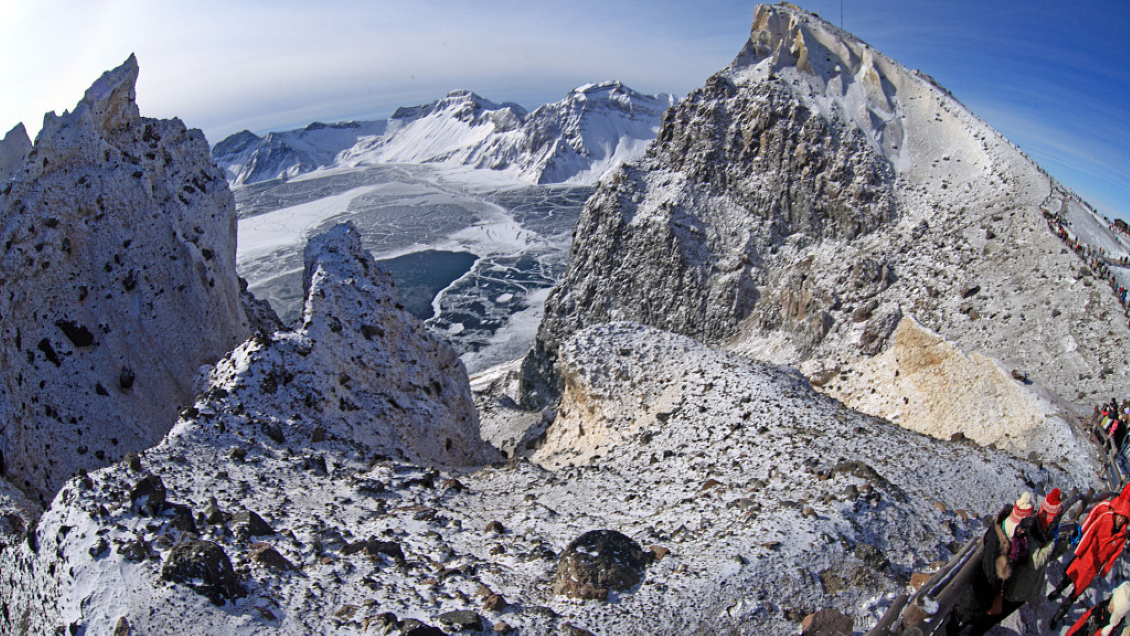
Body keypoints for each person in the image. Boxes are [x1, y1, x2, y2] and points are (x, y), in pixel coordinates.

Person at [947, 492, 1036, 636]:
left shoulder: (1016, 538)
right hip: (977, 596)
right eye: (1022, 528)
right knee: (961, 620)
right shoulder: (996, 542)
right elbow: (991, 576)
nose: (1023, 532)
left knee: (977, 621)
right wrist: (1009, 565)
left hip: (991, 596)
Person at [1050, 485, 1130, 627]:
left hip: (1095, 566)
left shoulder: (1122, 536)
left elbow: (1115, 554)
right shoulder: (1105, 517)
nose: (1121, 521)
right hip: (1086, 556)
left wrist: (1104, 571)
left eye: (1125, 519)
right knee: (1070, 576)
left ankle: (1058, 615)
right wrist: (1079, 551)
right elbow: (1090, 532)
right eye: (1121, 517)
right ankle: (1057, 591)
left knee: (1078, 590)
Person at [1065, 580, 1130, 636]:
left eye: (1114, 604)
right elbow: (1081, 621)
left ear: (1118, 611)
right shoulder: (1100, 607)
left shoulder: (1108, 629)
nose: (1110, 603)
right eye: (1112, 599)